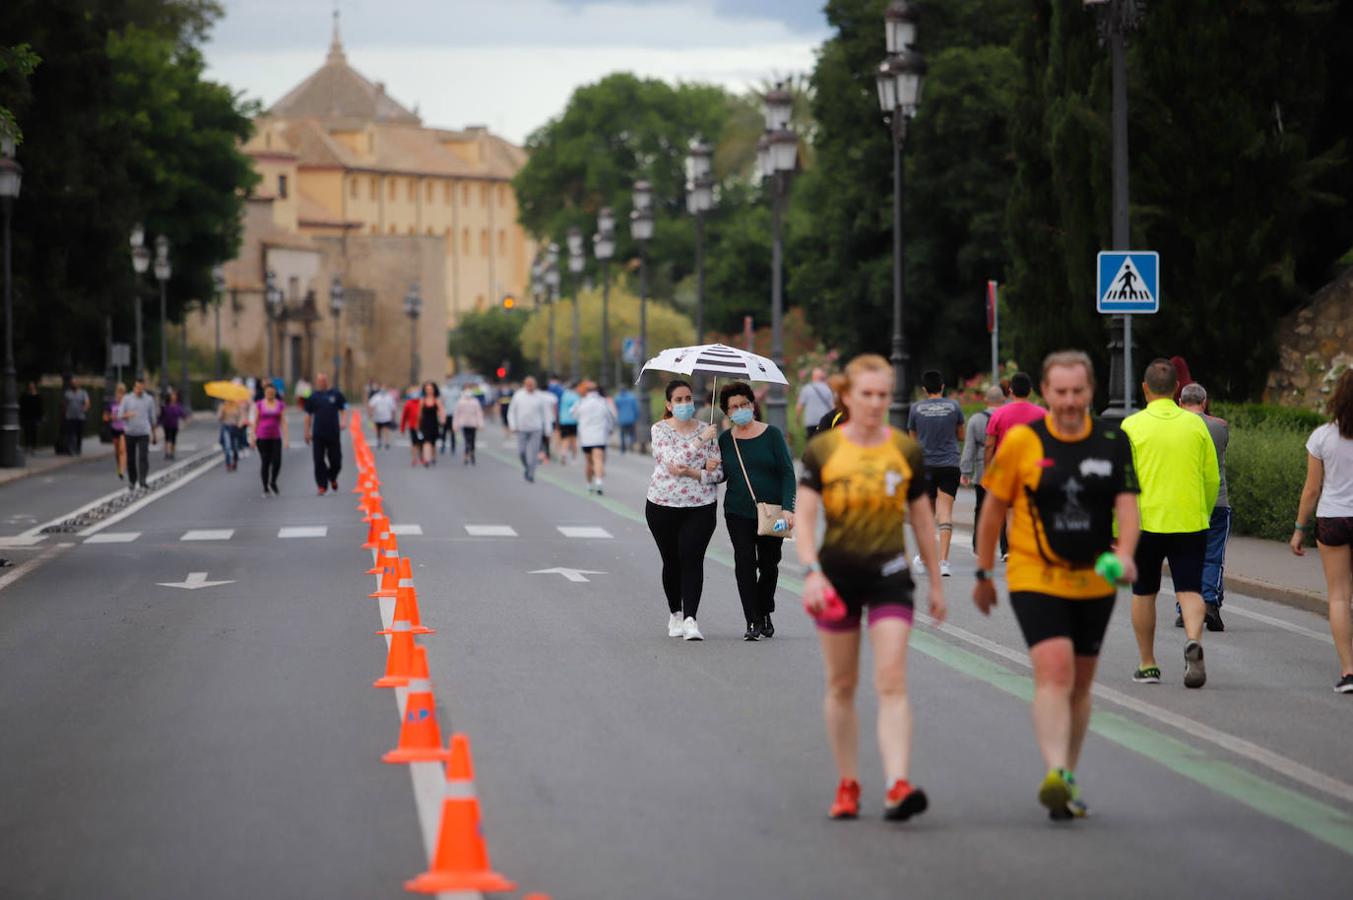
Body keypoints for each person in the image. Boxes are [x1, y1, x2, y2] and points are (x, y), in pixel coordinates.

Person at [974, 350, 1140, 820]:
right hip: (1033, 574)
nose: (1069, 401)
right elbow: (991, 513)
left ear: (1090, 392)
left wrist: (1125, 554)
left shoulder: (1112, 440)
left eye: (1078, 392)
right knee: (1055, 670)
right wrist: (985, 574)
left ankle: (1067, 773)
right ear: (1046, 392)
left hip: (1094, 578)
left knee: (1081, 684)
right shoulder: (1023, 442)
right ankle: (1055, 771)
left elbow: (1127, 508)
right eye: (1060, 392)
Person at [797, 353, 945, 822]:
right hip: (837, 576)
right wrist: (811, 570)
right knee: (842, 685)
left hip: (890, 575)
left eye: (884, 395)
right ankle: (848, 782)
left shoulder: (904, 449)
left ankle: (897, 783)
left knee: (892, 680)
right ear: (846, 396)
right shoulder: (823, 450)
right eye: (867, 394)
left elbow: (922, 518)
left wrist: (936, 582)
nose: (876, 402)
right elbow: (804, 516)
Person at [1122, 359, 1219, 689]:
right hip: (1189, 519)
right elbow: (1211, 478)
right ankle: (1193, 640)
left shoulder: (1131, 427)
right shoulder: (1196, 426)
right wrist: (1202, 512)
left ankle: (1148, 664)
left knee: (1144, 592)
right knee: (1190, 589)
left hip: (1144, 521)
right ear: (1178, 388)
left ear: (1144, 388)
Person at [717, 381, 797, 641]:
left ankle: (764, 610)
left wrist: (788, 508)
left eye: (744, 404)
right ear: (727, 412)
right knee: (744, 564)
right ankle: (752, 620)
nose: (740, 410)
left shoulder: (772, 434)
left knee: (770, 565)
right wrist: (709, 463)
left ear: (753, 405)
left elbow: (787, 472)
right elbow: (719, 476)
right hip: (737, 511)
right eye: (734, 407)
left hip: (773, 513)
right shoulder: (724, 440)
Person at [1290, 368, 1353, 693]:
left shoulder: (1322, 437)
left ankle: (1348, 671)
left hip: (1333, 520)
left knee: (1340, 597)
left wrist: (1300, 528)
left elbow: (1311, 490)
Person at [647, 380, 722, 641]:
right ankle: (675, 613)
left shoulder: (708, 429)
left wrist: (702, 471)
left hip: (700, 506)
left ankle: (691, 619)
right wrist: (700, 444)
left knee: (692, 559)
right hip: (662, 504)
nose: (684, 404)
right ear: (669, 405)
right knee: (672, 561)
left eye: (688, 398)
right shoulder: (660, 430)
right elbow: (672, 461)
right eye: (678, 400)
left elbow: (719, 474)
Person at [1177, 384, 1229, 632]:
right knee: (1213, 556)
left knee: (1186, 556)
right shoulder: (1220, 427)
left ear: (1180, 402)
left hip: (1185, 501)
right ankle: (1209, 603)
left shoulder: (1174, 426)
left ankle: (1184, 608)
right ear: (1205, 401)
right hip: (1218, 500)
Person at [907, 369, 965, 577]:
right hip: (949, 465)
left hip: (926, 466)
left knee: (927, 514)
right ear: (942, 386)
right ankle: (944, 563)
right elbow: (961, 434)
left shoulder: (916, 409)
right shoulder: (954, 406)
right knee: (946, 512)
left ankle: (924, 558)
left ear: (924, 389)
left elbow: (912, 439)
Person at [962, 385, 1006, 554]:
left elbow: (969, 448)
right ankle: (1005, 548)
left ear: (986, 400)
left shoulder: (975, 419)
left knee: (980, 508)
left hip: (982, 470)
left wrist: (965, 471)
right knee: (1004, 510)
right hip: (1003, 468)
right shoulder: (1006, 416)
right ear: (1002, 400)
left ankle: (978, 545)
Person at [983, 372, 1045, 473]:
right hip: (1033, 470)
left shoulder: (998, 414)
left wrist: (987, 470)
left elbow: (989, 445)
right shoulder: (1043, 414)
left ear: (1011, 391)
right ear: (1030, 391)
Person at [303, 372, 347, 495]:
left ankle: (332, 477)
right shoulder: (313, 397)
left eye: (324, 380)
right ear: (317, 382)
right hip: (318, 434)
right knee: (318, 460)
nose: (322, 382)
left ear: (327, 381)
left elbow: (343, 409)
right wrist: (307, 432)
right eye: (319, 380)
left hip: (333, 432)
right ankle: (322, 485)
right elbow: (307, 416)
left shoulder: (336, 394)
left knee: (336, 461)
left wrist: (343, 421)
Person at [508, 376, 553, 482]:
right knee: (521, 451)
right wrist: (513, 425)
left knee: (533, 453)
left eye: (532, 385)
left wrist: (548, 430)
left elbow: (546, 414)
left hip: (536, 429)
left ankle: (531, 473)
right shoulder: (518, 395)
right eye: (528, 385)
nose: (530, 387)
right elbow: (511, 411)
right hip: (521, 428)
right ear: (525, 385)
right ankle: (527, 466)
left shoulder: (540, 397)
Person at [118, 377, 159, 491]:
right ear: (134, 387)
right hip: (130, 432)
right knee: (131, 459)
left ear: (144, 387)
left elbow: (152, 418)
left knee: (143, 457)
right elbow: (120, 414)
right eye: (137, 388)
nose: (139, 390)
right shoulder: (127, 399)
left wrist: (154, 435)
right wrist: (127, 415)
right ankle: (132, 480)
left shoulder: (149, 399)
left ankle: (142, 480)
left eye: (141, 388)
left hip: (144, 432)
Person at [575, 381, 616, 494]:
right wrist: (610, 429)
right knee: (598, 460)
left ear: (586, 392)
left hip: (586, 437)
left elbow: (573, 414)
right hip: (599, 436)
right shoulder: (603, 402)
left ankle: (589, 484)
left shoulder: (581, 402)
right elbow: (611, 416)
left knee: (588, 462)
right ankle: (599, 482)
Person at [251, 382, 288, 496]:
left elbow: (283, 421)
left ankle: (273, 481)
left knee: (277, 462)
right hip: (262, 437)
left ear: (274, 393)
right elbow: (256, 421)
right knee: (265, 462)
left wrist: (286, 438)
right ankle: (265, 487)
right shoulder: (260, 404)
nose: (270, 394)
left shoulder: (280, 404)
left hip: (276, 437)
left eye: (272, 392)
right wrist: (252, 435)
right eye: (268, 392)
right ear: (265, 393)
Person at [797, 367, 836, 442]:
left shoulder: (806, 389)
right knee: (824, 443)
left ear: (813, 377)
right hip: (825, 421)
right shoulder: (827, 388)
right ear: (821, 377)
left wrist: (797, 418)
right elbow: (832, 406)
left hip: (810, 422)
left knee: (811, 444)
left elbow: (799, 406)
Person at [452, 387, 484, 465]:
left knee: (470, 439)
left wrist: (480, 423)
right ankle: (468, 454)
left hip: (471, 423)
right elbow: (457, 414)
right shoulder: (462, 402)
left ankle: (470, 454)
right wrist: (455, 424)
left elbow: (478, 413)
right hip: (466, 423)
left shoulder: (473, 402)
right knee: (469, 439)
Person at [417, 382, 444, 467]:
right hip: (425, 424)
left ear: (434, 390)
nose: (429, 391)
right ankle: (426, 459)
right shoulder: (422, 400)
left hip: (434, 423)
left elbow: (441, 411)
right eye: (427, 389)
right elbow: (419, 413)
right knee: (426, 441)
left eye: (430, 389)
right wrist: (417, 425)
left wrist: (442, 420)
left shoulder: (437, 400)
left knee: (433, 443)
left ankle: (433, 457)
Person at [61, 377, 90, 456]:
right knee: (70, 434)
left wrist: (85, 408)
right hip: (70, 417)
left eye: (75, 383)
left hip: (80, 417)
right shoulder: (67, 393)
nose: (74, 384)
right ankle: (71, 449)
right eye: (72, 383)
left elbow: (87, 403)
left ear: (78, 384)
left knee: (79, 434)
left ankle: (78, 448)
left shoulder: (83, 392)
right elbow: (64, 404)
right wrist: (64, 414)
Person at [104, 383, 128, 479]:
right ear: (116, 393)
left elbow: (131, 414)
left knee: (122, 450)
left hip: (124, 429)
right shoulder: (111, 404)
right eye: (119, 393)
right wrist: (111, 417)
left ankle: (122, 470)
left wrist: (123, 416)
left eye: (122, 393)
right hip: (114, 429)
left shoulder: (127, 404)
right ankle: (119, 466)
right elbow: (105, 417)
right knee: (117, 451)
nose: (120, 395)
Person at [217, 399, 244, 472]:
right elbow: (219, 418)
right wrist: (222, 410)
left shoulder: (237, 406)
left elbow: (241, 417)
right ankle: (228, 463)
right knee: (227, 446)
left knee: (235, 447)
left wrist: (239, 423)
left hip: (235, 428)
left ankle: (235, 461)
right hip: (226, 427)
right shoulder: (223, 406)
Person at [557, 380, 581, 463]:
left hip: (563, 420)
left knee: (565, 439)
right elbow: (578, 409)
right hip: (573, 421)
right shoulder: (576, 396)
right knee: (574, 439)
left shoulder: (564, 395)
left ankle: (564, 454)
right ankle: (574, 457)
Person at [161, 389, 187, 460]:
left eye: (174, 395)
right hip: (166, 424)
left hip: (174, 425)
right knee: (166, 439)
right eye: (172, 395)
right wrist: (158, 422)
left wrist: (185, 418)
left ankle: (172, 453)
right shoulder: (165, 405)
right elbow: (162, 415)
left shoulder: (178, 405)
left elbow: (182, 414)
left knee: (173, 439)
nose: (173, 397)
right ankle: (166, 453)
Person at [399, 387, 422, 466]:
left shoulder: (422, 402)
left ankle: (421, 457)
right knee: (414, 443)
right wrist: (402, 428)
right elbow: (404, 417)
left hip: (422, 427)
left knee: (421, 443)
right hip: (412, 426)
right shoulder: (408, 403)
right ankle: (414, 458)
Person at [615, 385, 641, 454]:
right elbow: (635, 408)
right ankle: (631, 446)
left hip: (622, 419)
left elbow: (616, 408)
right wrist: (637, 416)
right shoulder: (631, 397)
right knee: (631, 433)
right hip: (631, 419)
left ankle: (623, 449)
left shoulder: (617, 398)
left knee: (622, 434)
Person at [19, 381, 42, 454]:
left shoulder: (38, 396)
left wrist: (40, 417)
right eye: (30, 386)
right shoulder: (24, 395)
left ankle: (33, 447)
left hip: (35, 417)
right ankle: (27, 446)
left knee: (34, 432)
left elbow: (40, 407)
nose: (31, 387)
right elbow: (21, 406)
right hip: (26, 416)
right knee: (27, 431)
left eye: (32, 386)